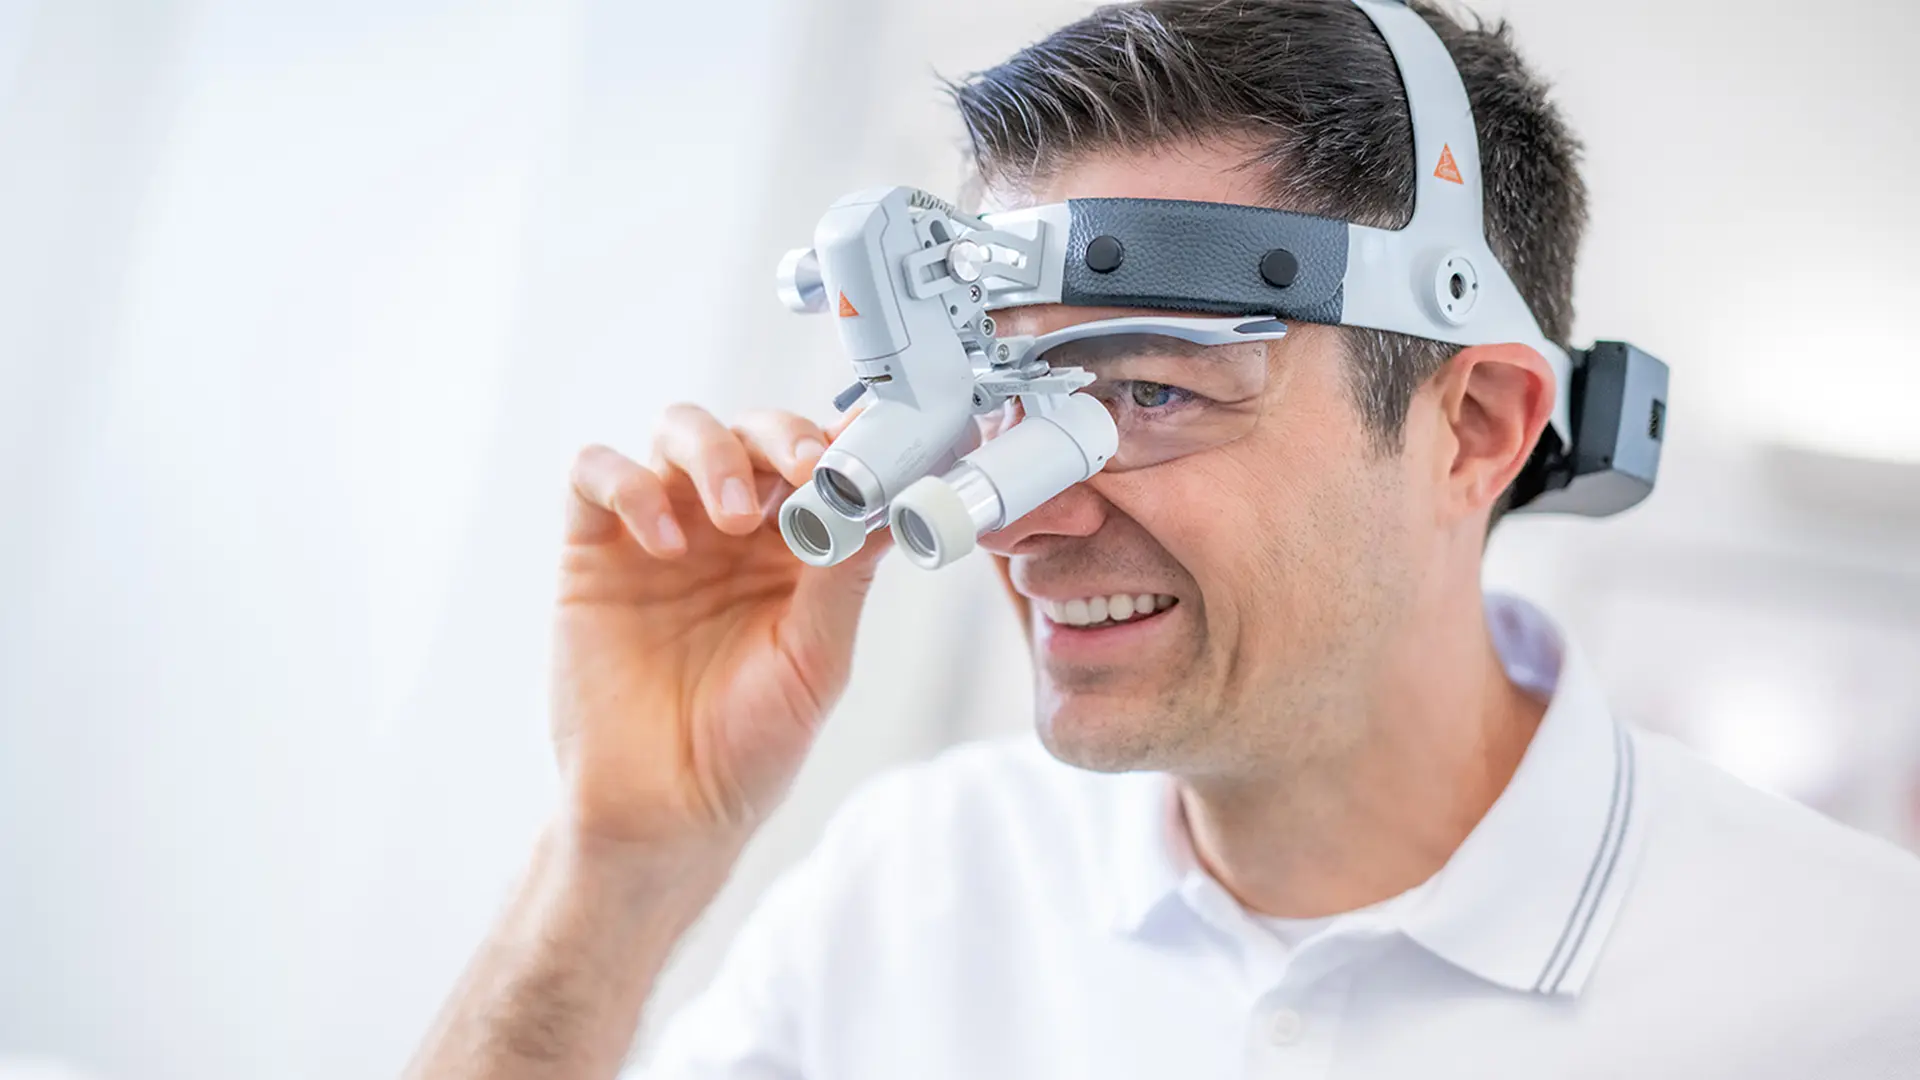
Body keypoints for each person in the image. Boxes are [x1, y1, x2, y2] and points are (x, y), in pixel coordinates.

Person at [405, 2, 1920, 1077]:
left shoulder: (1854, 994)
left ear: (1473, 427)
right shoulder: (921, 881)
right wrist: (617, 865)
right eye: (997, 402)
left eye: (1146, 391)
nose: (1023, 517)